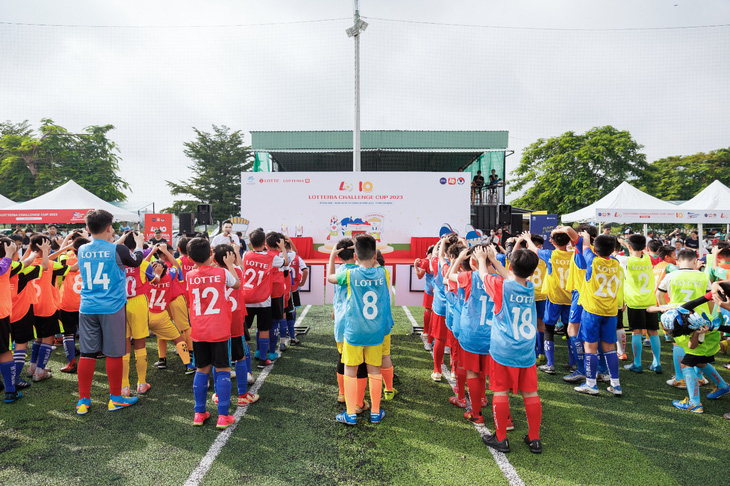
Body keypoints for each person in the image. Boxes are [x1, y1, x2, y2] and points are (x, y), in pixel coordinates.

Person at [75, 210, 145, 415]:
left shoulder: (82, 250)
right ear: (108, 228)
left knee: (87, 354)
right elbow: (136, 261)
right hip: (112, 307)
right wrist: (139, 245)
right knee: (114, 352)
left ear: (88, 228)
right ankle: (115, 398)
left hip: (87, 307)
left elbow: (98, 245)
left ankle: (83, 401)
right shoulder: (119, 250)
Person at [475, 245, 542, 454]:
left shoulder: (500, 285)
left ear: (511, 265)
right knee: (531, 393)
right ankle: (534, 438)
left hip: (503, 349)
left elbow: (483, 275)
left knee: (500, 391)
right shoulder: (529, 286)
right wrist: (495, 260)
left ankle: (501, 438)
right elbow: (513, 277)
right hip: (526, 349)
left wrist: (481, 259)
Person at [329, 234, 392, 426]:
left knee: (350, 369)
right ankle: (374, 412)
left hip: (354, 331)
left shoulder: (349, 274)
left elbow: (330, 278)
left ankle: (350, 413)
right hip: (375, 332)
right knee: (374, 370)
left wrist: (332, 256)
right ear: (375, 255)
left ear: (355, 256)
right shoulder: (382, 273)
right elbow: (375, 265)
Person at [186, 237, 241, 429]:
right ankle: (223, 416)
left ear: (190, 258)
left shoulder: (190, 276)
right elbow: (237, 284)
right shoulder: (221, 273)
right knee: (223, 369)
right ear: (211, 254)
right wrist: (230, 265)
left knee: (202, 370)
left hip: (199, 329)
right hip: (219, 329)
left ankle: (199, 413)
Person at [570, 230, 624, 397]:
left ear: (595, 248)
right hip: (610, 311)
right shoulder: (616, 263)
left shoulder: (592, 261)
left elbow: (585, 246)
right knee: (609, 347)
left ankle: (591, 384)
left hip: (592, 310)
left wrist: (585, 236)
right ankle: (615, 383)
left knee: (590, 348)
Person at [211, 243, 259, 408]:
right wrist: (231, 263)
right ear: (229, 257)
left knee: (218, 359)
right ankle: (242, 395)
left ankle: (218, 393)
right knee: (240, 357)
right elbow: (238, 275)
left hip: (218, 321)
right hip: (235, 320)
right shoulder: (236, 271)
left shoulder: (214, 272)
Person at [449, 245, 493, 424]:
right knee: (486, 371)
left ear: (472, 262)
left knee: (472, 373)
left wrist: (458, 259)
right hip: (491, 335)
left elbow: (449, 277)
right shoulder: (498, 279)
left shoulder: (468, 277)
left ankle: (476, 413)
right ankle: (485, 401)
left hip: (471, 334)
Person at [657, 249, 712, 389]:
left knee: (678, 344)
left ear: (677, 261)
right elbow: (711, 299)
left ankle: (681, 378)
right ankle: (699, 377)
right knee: (698, 348)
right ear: (695, 261)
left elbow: (659, 294)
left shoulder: (671, 275)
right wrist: (709, 314)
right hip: (698, 318)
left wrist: (666, 308)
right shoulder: (703, 276)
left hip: (678, 317)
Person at [328, 238, 370, 414]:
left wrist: (331, 257)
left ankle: (342, 393)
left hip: (341, 321)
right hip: (358, 323)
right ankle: (359, 402)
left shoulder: (340, 270)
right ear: (356, 253)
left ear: (339, 256)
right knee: (359, 363)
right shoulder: (362, 271)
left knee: (341, 357)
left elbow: (332, 283)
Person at [241, 228, 288, 369]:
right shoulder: (270, 258)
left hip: (246, 298)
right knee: (264, 329)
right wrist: (282, 248)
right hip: (263, 300)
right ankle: (263, 360)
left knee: (244, 331)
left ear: (249, 243)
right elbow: (285, 262)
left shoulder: (246, 255)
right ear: (264, 243)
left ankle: (242, 359)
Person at [622, 234, 662, 374]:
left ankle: (637, 363)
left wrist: (624, 243)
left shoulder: (626, 261)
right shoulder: (647, 259)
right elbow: (641, 252)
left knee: (636, 332)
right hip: (650, 301)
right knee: (653, 332)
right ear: (645, 247)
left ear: (629, 247)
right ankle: (657, 363)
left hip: (635, 301)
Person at [539, 227, 573, 376]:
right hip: (570, 297)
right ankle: (573, 363)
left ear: (552, 241)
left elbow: (534, 249)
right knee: (569, 329)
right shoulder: (574, 255)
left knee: (549, 329)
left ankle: (550, 364)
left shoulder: (550, 254)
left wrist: (527, 239)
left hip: (554, 297)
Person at [58, 234, 89, 374]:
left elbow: (61, 252)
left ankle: (71, 363)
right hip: (86, 302)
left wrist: (68, 240)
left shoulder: (66, 258)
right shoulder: (91, 259)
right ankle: (85, 363)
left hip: (67, 301)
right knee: (85, 333)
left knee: (68, 334)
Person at [0, 238, 24, 403]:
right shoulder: (5, 264)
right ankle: (10, 390)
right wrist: (9, 255)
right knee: (5, 351)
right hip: (1, 315)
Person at [415, 246, 435, 350]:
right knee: (436, 314)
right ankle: (432, 336)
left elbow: (419, 276)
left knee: (428, 310)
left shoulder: (426, 261)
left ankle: (426, 332)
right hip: (439, 291)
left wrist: (415, 265)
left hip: (429, 290)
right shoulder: (442, 261)